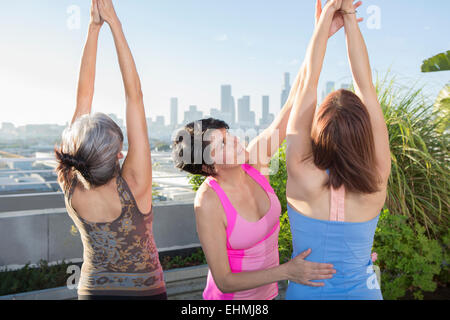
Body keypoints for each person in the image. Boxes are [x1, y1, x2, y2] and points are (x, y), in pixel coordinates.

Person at [170, 1, 364, 300]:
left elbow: (293, 103)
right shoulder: (208, 202)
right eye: (222, 144)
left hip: (270, 295)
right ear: (208, 167)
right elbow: (223, 280)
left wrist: (320, 37)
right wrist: (288, 272)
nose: (235, 142)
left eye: (228, 135)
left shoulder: (253, 160)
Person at [54, 0, 166, 300]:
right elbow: (135, 97)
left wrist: (93, 28)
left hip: (93, 292)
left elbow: (83, 99)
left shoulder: (70, 177)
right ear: (119, 155)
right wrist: (114, 24)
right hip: (145, 294)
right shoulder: (135, 185)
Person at [285, 0, 390, 300]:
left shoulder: (302, 174)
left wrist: (326, 21)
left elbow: (308, 84)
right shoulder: (376, 179)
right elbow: (366, 86)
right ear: (363, 135)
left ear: (319, 132)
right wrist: (350, 16)